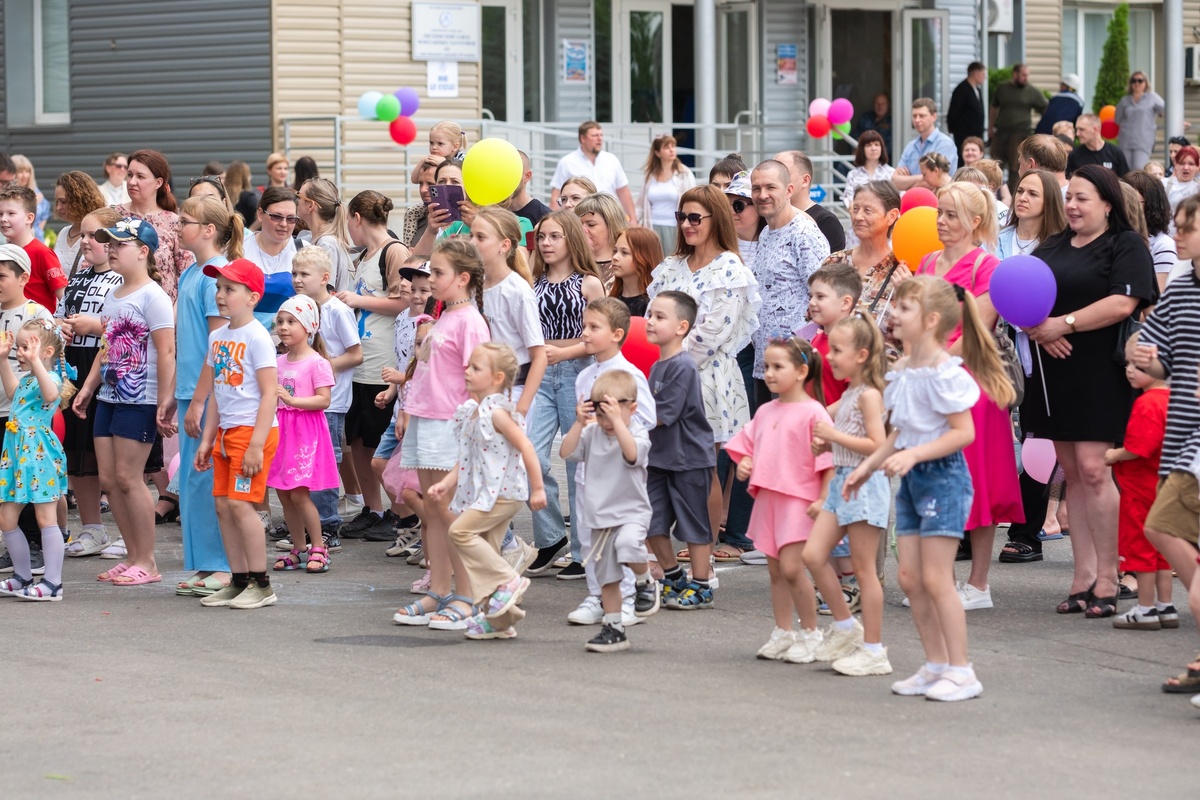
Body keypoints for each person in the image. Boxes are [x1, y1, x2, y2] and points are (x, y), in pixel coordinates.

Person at [847, 276, 1009, 701]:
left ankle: (962, 670)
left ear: (932, 320)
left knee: (938, 579)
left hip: (944, 479)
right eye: (895, 307)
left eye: (904, 308)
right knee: (910, 577)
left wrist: (914, 457)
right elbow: (899, 431)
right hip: (912, 481)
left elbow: (963, 433)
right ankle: (935, 664)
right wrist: (869, 465)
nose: (894, 315)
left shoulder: (945, 371)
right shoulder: (902, 370)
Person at [1022, 165, 1156, 618]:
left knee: (1096, 471)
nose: (1074, 206)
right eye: (1070, 198)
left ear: (1107, 204)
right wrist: (1040, 328)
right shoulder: (1055, 244)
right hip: (1054, 372)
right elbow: (1019, 293)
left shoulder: (1126, 244)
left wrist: (1066, 323)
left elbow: (1125, 302)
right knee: (1071, 472)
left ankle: (1108, 577)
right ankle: (1081, 578)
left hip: (1101, 371)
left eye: (1083, 198)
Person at [917, 183, 1022, 611]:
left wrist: (927, 360)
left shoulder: (988, 266)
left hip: (971, 386)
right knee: (932, 480)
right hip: (929, 383)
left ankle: (978, 584)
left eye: (951, 215)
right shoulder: (926, 260)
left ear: (976, 222)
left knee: (978, 481)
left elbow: (975, 332)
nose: (941, 221)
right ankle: (940, 578)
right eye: (940, 213)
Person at [647, 185, 760, 562]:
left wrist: (671, 359)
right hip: (664, 375)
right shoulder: (672, 266)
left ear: (716, 220)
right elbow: (653, 319)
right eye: (682, 217)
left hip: (707, 380)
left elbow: (713, 333)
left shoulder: (730, 269)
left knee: (703, 468)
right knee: (666, 465)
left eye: (696, 217)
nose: (687, 225)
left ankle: (705, 549)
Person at [390, 239, 491, 630]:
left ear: (462, 278)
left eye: (438, 273)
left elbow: (479, 381)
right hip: (426, 419)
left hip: (451, 424)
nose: (430, 280)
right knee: (433, 512)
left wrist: (474, 433)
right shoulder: (445, 315)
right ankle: (438, 589)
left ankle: (467, 596)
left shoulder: (470, 321)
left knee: (452, 513)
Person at [72, 218, 176, 588]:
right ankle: (132, 555)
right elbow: (108, 347)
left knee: (131, 479)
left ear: (143, 251)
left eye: (120, 243)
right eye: (109, 243)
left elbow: (166, 352)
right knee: (109, 480)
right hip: (109, 396)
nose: (111, 249)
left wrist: (165, 400)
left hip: (140, 400)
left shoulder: (154, 296)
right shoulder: (114, 295)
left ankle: (147, 560)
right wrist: (87, 388)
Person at [426, 343, 546, 641]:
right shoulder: (471, 412)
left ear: (497, 378)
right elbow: (466, 456)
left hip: (502, 494)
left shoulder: (498, 413)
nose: (467, 371)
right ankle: (500, 621)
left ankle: (508, 580)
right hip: (483, 494)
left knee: (459, 533)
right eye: (468, 366)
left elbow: (526, 447)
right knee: (483, 557)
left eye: (476, 368)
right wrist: (447, 482)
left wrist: (539, 487)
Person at [725, 336, 833, 663]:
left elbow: (828, 462)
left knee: (791, 568)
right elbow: (747, 444)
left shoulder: (814, 412)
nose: (769, 373)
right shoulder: (767, 411)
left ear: (802, 371)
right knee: (775, 571)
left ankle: (811, 633)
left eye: (778, 367)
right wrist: (745, 461)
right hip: (769, 499)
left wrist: (824, 499)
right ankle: (783, 632)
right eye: (767, 366)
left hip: (799, 501)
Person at [799, 314, 891, 675]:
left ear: (863, 354)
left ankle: (874, 649)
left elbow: (877, 445)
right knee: (813, 553)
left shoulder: (868, 395)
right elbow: (823, 423)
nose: (830, 357)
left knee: (865, 572)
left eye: (838, 350)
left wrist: (833, 437)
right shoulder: (852, 392)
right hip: (841, 484)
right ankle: (845, 626)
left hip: (865, 486)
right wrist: (821, 443)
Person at [1133, 197, 1200, 687]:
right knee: (1160, 526)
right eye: (1176, 227)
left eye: (1187, 228)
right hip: (1181, 435)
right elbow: (1161, 362)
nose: (1176, 236)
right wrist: (1144, 358)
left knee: (1160, 524)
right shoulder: (1179, 290)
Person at [193, 259, 280, 610]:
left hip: (251, 434)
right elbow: (217, 392)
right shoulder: (218, 337)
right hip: (226, 433)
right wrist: (206, 440)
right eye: (218, 288)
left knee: (240, 506)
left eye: (230, 289)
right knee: (222, 506)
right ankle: (239, 579)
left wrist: (256, 444)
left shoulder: (258, 337)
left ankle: (262, 584)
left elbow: (270, 393)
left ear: (253, 297)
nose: (221, 295)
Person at [565, 298, 656, 626]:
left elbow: (646, 417)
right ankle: (597, 594)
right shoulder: (585, 375)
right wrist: (583, 422)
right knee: (591, 538)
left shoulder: (630, 375)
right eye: (584, 326)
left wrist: (614, 422)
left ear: (617, 334)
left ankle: (629, 597)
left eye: (594, 327)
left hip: (619, 473)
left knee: (621, 540)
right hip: (590, 471)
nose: (585, 333)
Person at [524, 211, 604, 577]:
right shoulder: (532, 280)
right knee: (531, 456)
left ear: (571, 238)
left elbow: (597, 336)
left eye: (555, 236)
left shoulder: (588, 283)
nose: (546, 243)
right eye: (542, 237)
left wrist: (564, 352)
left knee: (578, 463)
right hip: (539, 373)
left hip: (576, 372)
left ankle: (584, 549)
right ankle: (552, 536)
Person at [175, 196, 244, 596]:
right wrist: (173, 395)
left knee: (208, 479)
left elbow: (219, 345)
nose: (178, 226)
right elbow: (185, 341)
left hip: (209, 394)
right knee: (192, 480)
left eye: (186, 221)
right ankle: (204, 563)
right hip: (188, 391)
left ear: (209, 230)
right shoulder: (189, 273)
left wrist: (202, 399)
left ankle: (221, 563)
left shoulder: (214, 278)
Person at [560, 368, 655, 650]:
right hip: (600, 516)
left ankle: (645, 580)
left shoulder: (636, 432)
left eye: (612, 413)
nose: (606, 421)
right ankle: (614, 628)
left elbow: (632, 454)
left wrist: (618, 421)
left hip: (631, 512)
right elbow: (567, 452)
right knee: (608, 578)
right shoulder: (592, 431)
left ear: (632, 408)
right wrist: (580, 423)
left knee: (628, 544)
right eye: (600, 414)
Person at [337, 191, 408, 539]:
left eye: (349, 223)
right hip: (362, 364)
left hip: (384, 361)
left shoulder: (394, 251)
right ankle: (372, 507)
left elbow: (404, 300)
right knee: (360, 440)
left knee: (383, 440)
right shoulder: (364, 255)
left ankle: (399, 513)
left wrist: (357, 299)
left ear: (357, 218)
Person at [641, 291, 716, 607]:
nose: (650, 321)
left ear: (682, 327)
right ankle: (673, 576)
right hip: (659, 458)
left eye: (660, 317)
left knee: (693, 523)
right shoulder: (658, 365)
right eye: (650, 314)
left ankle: (702, 585)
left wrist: (621, 414)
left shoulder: (683, 365)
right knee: (650, 520)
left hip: (687, 458)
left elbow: (662, 415)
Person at [57, 208, 122, 559]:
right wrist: (62, 327)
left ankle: (127, 529)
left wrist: (94, 326)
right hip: (75, 367)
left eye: (92, 235)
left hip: (109, 367)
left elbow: (131, 325)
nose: (83, 241)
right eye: (82, 235)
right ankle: (92, 527)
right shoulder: (78, 276)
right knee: (79, 453)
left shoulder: (123, 279)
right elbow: (60, 312)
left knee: (112, 456)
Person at [290, 247, 362, 552]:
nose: (297, 279)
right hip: (300, 404)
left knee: (323, 464)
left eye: (304, 274)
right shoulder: (297, 308)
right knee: (301, 462)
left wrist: (320, 368)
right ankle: (309, 526)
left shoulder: (336, 311)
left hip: (329, 402)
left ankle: (328, 526)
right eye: (294, 273)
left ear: (324, 278)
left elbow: (356, 354)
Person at [0, 319, 74, 600]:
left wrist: (38, 363)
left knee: (46, 518)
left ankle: (53, 583)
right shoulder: (28, 379)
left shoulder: (50, 378)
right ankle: (22, 576)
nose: (19, 352)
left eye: (26, 346)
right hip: (18, 456)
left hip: (39, 455)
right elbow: (11, 393)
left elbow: (51, 394)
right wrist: (3, 360)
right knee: (7, 517)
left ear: (47, 352)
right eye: (18, 346)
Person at [1106, 334, 1175, 630]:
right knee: (1162, 552)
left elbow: (1138, 449)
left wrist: (1113, 454)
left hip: (1140, 490)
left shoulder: (1148, 404)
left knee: (1140, 550)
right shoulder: (1173, 400)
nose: (1130, 370)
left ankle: (1145, 608)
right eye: (1129, 364)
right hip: (1162, 487)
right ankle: (1165, 605)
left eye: (1139, 365)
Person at [267, 295, 339, 575]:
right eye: (281, 321)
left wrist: (292, 401)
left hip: (305, 433)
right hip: (281, 430)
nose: (283, 327)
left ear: (309, 327)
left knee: (299, 493)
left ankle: (319, 546)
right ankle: (298, 548)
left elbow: (324, 400)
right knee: (284, 493)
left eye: (291, 322)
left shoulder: (317, 362)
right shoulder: (278, 361)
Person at [750, 160, 830, 403]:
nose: (762, 195)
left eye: (770, 187)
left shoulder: (804, 233)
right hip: (765, 360)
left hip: (795, 363)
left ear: (788, 190)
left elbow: (824, 293)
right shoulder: (766, 232)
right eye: (756, 188)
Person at [824, 181, 909, 362]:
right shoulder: (835, 261)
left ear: (891, 216)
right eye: (856, 209)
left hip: (882, 375)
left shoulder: (902, 270)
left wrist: (908, 293)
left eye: (868, 211)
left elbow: (916, 330)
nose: (858, 217)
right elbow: (813, 317)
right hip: (833, 369)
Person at [116, 150, 194, 302]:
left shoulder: (174, 222)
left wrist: (174, 315)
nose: (132, 182)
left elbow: (187, 275)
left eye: (140, 176)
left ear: (158, 183)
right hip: (120, 310)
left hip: (163, 314)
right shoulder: (113, 216)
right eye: (130, 175)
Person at [550, 122, 637, 221]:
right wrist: (554, 221)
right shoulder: (567, 162)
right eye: (595, 135)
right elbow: (556, 195)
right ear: (583, 138)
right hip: (580, 219)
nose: (599, 139)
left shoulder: (612, 160)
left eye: (601, 135)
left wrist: (633, 219)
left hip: (610, 217)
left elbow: (623, 191)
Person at [0, 185, 65, 309]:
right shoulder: (3, 252)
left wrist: (59, 322)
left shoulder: (42, 253)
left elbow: (63, 296)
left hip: (37, 325)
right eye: (0, 213)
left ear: (29, 218)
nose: (3, 219)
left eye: (11, 213)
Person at [806, 263, 860, 405]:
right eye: (811, 296)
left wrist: (820, 416)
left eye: (820, 297)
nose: (812, 302)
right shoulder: (817, 338)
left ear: (845, 303)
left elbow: (854, 396)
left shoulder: (852, 345)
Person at [990, 64, 1048, 192]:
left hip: (1019, 134)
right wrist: (990, 127)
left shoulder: (1032, 92)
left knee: (1015, 168)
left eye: (1027, 75)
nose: (1026, 78)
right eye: (1023, 75)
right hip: (1001, 132)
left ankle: (1013, 195)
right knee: (995, 165)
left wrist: (1041, 127)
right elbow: (994, 107)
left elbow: (1046, 109)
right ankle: (993, 193)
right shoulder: (1003, 88)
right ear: (1015, 74)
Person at [775, 150, 845, 251]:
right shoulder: (767, 217)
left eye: (783, 174)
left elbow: (833, 265)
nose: (775, 180)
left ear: (805, 180)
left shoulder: (826, 222)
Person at [638, 134, 696, 254]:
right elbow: (640, 204)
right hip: (652, 227)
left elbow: (694, 200)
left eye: (673, 146)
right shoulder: (650, 175)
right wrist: (633, 221)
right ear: (657, 153)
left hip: (675, 227)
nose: (671, 150)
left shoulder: (684, 173)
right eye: (666, 147)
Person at [1123, 170, 1178, 292]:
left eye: (1132, 201)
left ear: (1150, 205)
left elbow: (1157, 300)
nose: (1124, 207)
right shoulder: (1112, 237)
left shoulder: (1163, 246)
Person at [997, 169, 1068, 260]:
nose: (1022, 198)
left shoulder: (1059, 246)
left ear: (1049, 201)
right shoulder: (996, 239)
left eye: (1033, 194)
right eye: (1020, 191)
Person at [297, 177, 353, 292]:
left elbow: (324, 293)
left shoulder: (327, 244)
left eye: (299, 196)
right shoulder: (309, 237)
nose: (296, 201)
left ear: (310, 206)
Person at [894, 98, 959, 190]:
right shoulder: (911, 146)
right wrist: (922, 177)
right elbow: (895, 181)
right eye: (914, 116)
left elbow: (936, 180)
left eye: (922, 116)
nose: (917, 120)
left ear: (934, 117)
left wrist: (909, 185)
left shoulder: (945, 143)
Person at [52, 172, 106, 275]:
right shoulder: (63, 232)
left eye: (63, 202)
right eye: (57, 202)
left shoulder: (98, 233)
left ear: (80, 200)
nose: (58, 207)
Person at [1115, 71, 1165, 170]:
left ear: (1146, 83)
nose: (1137, 83)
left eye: (1140, 80)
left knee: (1139, 168)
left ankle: (1138, 186)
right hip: (1126, 140)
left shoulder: (1152, 97)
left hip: (1143, 140)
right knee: (1126, 169)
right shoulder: (1125, 100)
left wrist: (1178, 122)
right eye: (1134, 81)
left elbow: (1165, 110)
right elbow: (1117, 119)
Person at [574, 193, 627, 286]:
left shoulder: (625, 266)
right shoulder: (571, 262)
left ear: (612, 225)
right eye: (579, 224)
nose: (582, 230)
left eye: (591, 225)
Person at [609, 227, 661, 317]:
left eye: (624, 252)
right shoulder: (611, 301)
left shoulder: (652, 306)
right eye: (615, 251)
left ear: (645, 257)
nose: (615, 257)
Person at [842, 131, 895, 211]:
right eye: (869, 145)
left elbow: (897, 199)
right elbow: (849, 199)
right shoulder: (853, 174)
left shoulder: (891, 172)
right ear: (862, 149)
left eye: (877, 144)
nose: (873, 148)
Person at [401, 154, 444, 250]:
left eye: (430, 184)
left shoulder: (464, 223)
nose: (423, 189)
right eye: (420, 183)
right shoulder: (416, 216)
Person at [1067, 114, 1130, 178]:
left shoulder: (1115, 153)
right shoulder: (1074, 156)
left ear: (1095, 129)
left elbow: (1125, 180)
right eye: (1077, 129)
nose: (1077, 134)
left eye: (1081, 129)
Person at [947, 62, 987, 161]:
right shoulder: (961, 90)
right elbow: (953, 112)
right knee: (964, 159)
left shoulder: (977, 90)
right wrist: (955, 129)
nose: (984, 77)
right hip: (964, 135)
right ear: (975, 73)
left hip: (977, 134)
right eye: (983, 74)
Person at [509, 150, 551, 241]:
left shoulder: (544, 215)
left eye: (511, 174)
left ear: (527, 176)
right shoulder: (494, 211)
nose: (506, 180)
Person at [11, 156, 51, 243]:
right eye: (20, 171)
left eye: (27, 171)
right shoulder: (9, 194)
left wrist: (39, 228)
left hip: (37, 239)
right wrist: (32, 203)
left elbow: (46, 208)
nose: (25, 175)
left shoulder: (34, 190)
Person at [1163, 145, 1200, 219]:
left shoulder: (1198, 186)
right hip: (1169, 229)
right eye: (1182, 163)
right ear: (1176, 164)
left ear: (1197, 167)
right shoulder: (1163, 184)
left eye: (1191, 164)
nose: (1186, 168)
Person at [853, 94, 893, 159]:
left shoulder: (892, 121)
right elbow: (855, 135)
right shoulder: (866, 117)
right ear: (873, 105)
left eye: (883, 104)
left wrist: (874, 152)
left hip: (884, 158)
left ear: (888, 105)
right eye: (877, 104)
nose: (880, 107)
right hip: (863, 155)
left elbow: (891, 145)